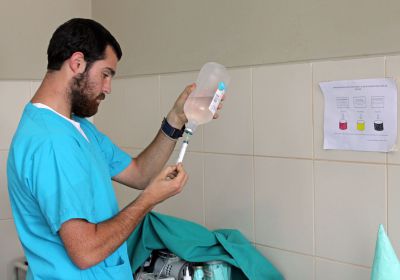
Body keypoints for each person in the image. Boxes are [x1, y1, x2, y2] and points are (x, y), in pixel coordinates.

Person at [7, 18, 222, 279]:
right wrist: (149, 200)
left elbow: (140, 173)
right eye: (106, 74)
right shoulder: (51, 142)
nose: (108, 88)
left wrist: (176, 118)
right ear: (77, 63)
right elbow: (85, 252)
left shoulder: (77, 128)